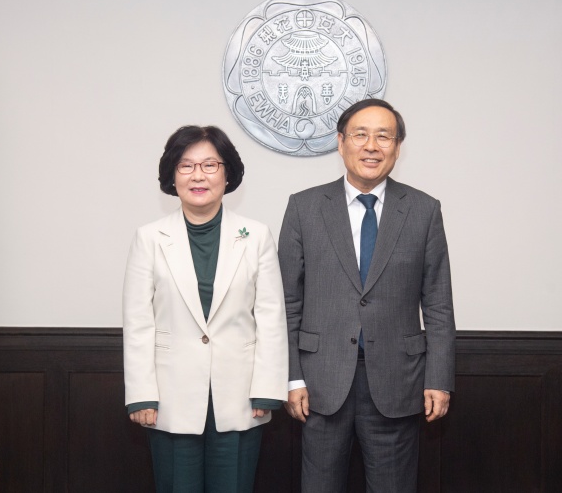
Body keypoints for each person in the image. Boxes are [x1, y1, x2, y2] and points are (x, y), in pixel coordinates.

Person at [278, 98, 456, 492]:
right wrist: (291, 377)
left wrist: (439, 379)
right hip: (320, 383)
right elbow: (287, 304)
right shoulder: (304, 207)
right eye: (360, 135)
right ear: (341, 142)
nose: (371, 146)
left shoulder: (424, 210)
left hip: (398, 381)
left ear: (397, 147)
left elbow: (438, 305)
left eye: (384, 137)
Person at [123, 125, 288, 493]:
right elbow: (138, 323)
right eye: (186, 165)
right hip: (169, 399)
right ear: (172, 176)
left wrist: (267, 388)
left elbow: (271, 317)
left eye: (210, 165)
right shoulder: (149, 238)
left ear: (227, 174)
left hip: (241, 397)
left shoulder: (256, 236)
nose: (198, 175)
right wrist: (142, 394)